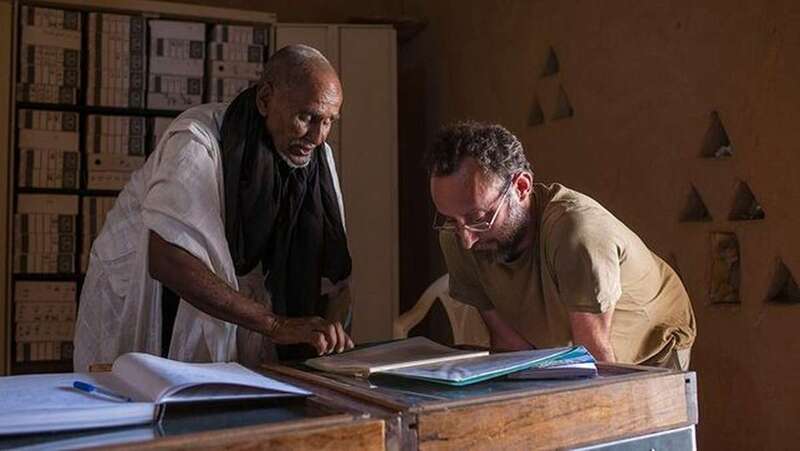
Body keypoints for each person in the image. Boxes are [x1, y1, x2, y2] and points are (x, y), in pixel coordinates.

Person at [74, 45, 354, 371]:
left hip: (244, 311)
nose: (318, 136)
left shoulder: (316, 156)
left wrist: (330, 334)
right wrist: (275, 325)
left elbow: (332, 270)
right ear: (265, 99)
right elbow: (168, 259)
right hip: (149, 293)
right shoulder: (197, 140)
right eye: (305, 117)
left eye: (329, 121)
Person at [425, 122, 696, 369]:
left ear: (520, 187)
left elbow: (595, 358)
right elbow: (509, 345)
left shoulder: (577, 233)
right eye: (452, 220)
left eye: (479, 219)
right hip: (571, 343)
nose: (467, 239)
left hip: (650, 346)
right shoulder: (456, 236)